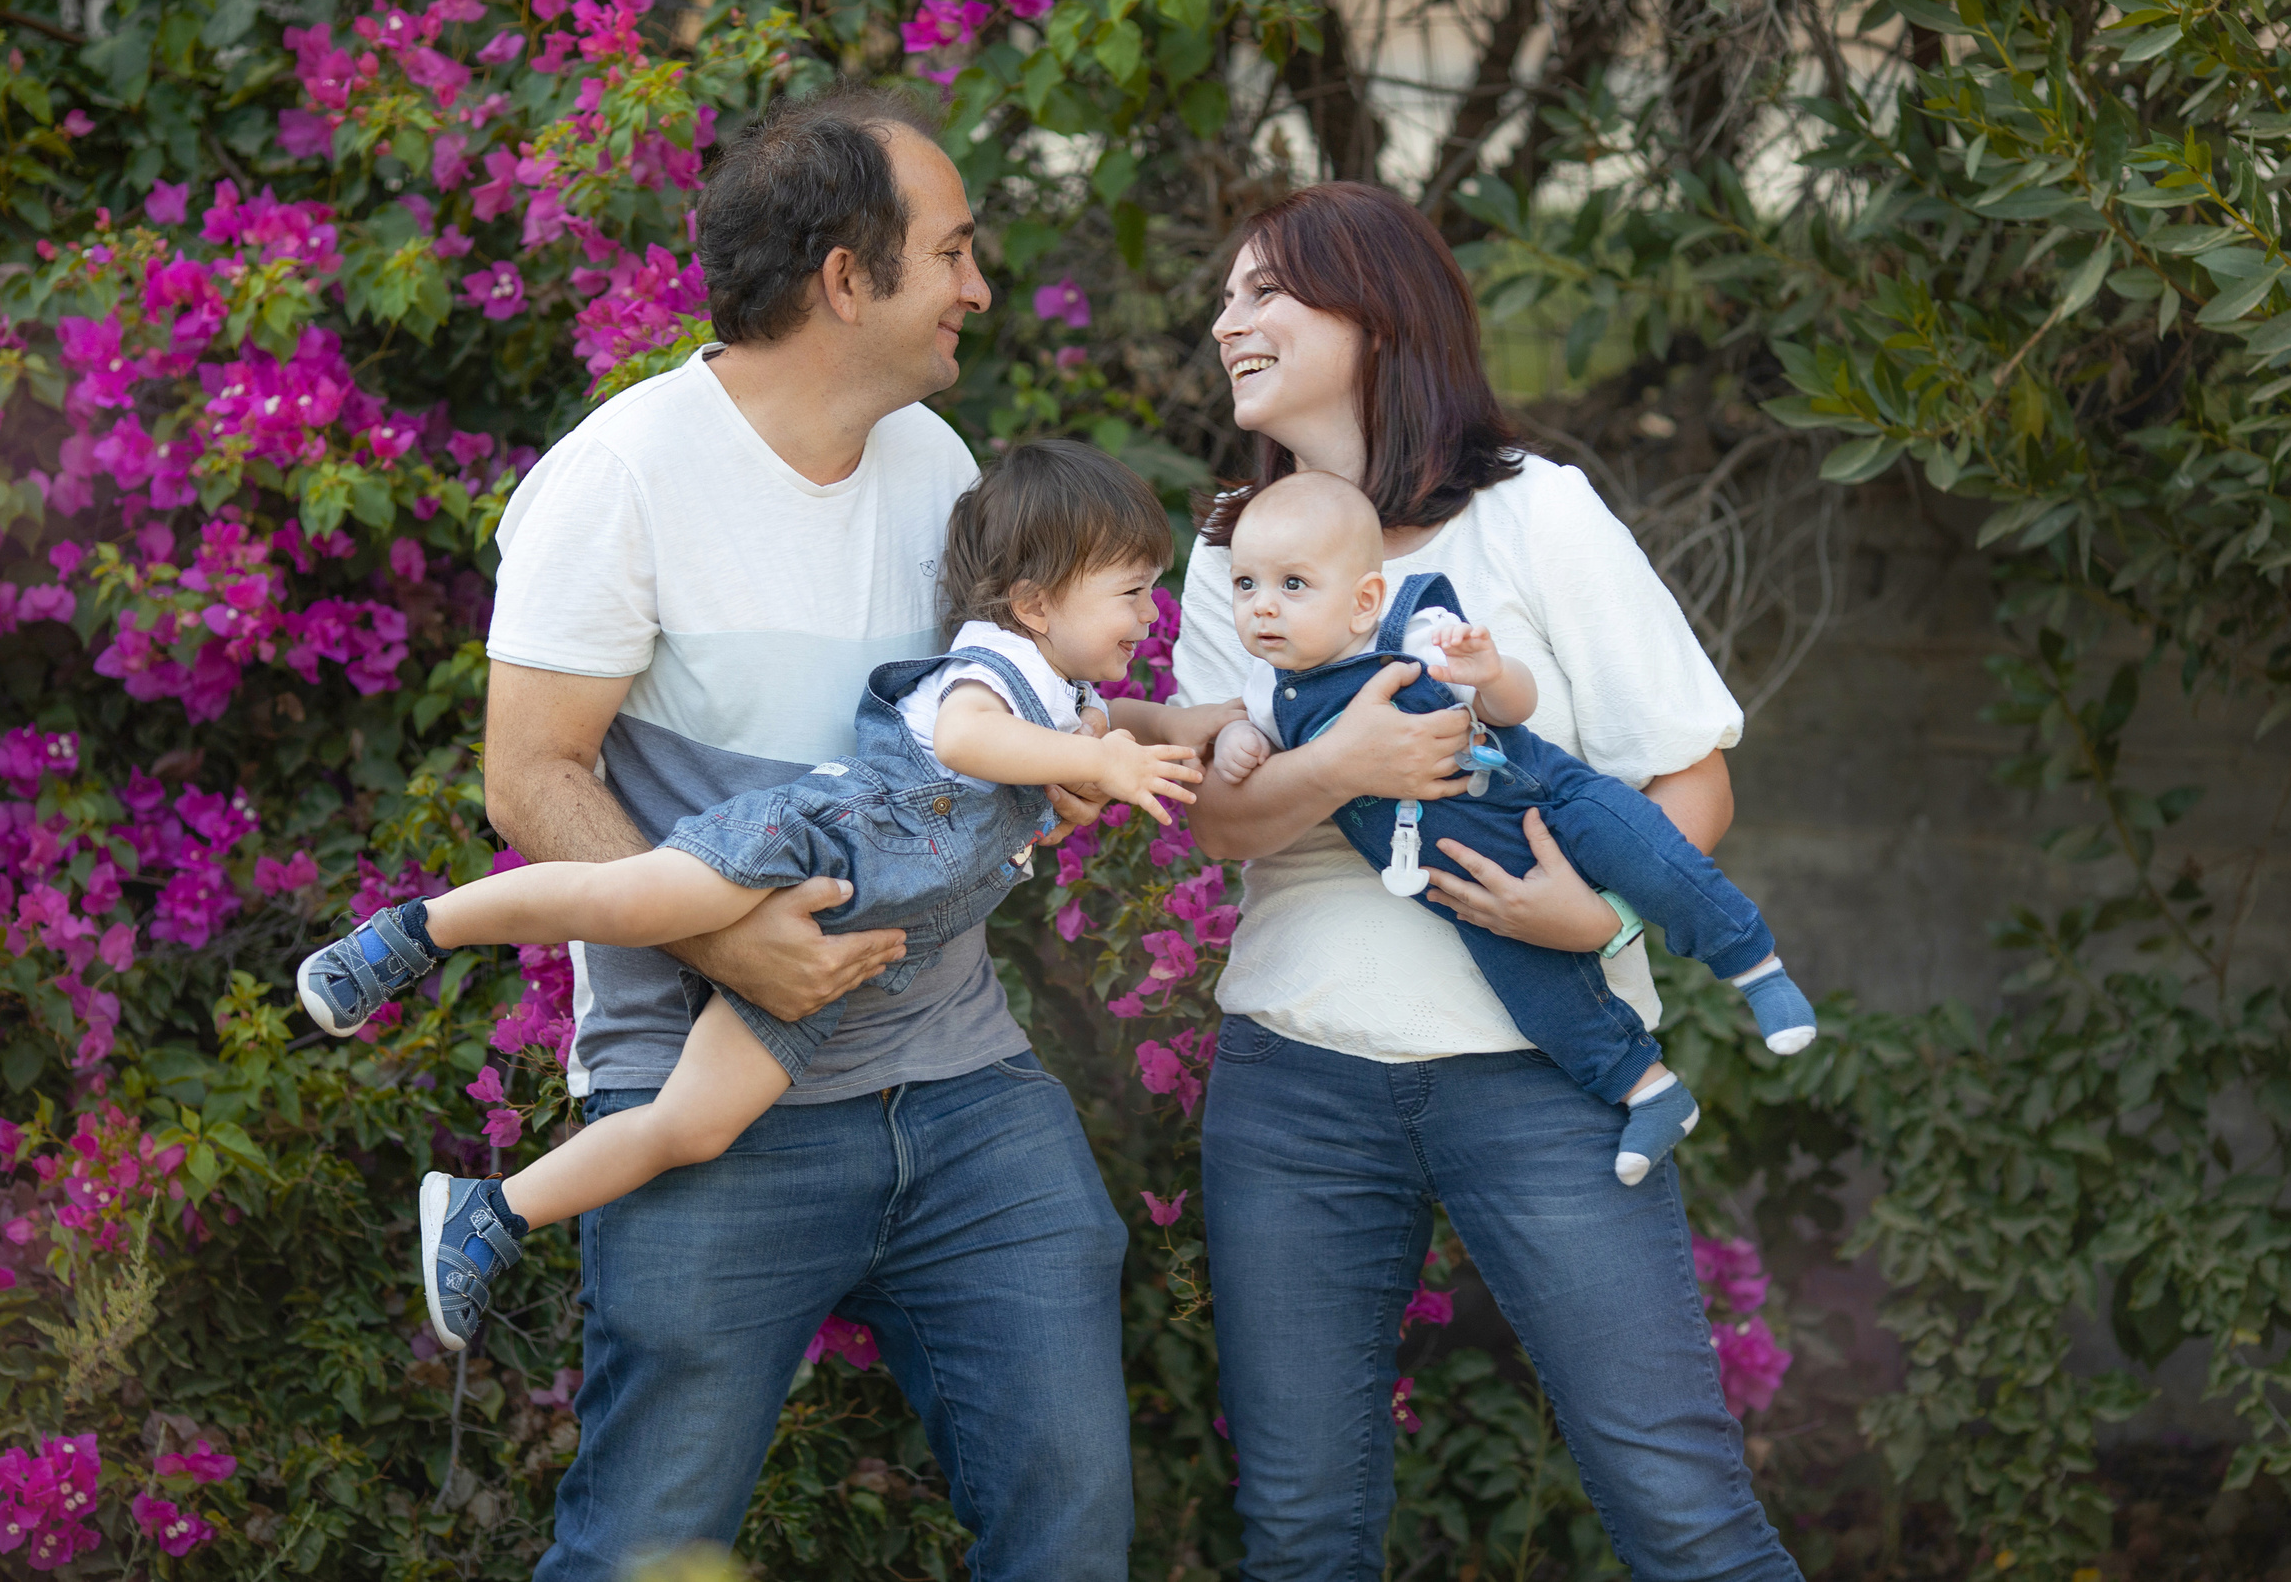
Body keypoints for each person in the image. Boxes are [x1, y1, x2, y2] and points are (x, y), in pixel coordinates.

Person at [473, 85, 1154, 1582]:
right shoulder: (621, 476)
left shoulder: (938, 465)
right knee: (645, 1543)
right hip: (707, 1093)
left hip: (959, 1082)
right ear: (849, 277)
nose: (979, 286)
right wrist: (730, 940)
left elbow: (984, 715)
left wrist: (1103, 753)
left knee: (1072, 1519)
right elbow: (529, 777)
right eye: (953, 251)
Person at [1176, 182, 1805, 1580]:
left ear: (1376, 310)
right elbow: (1221, 823)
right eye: (1224, 297)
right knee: (1300, 1529)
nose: (1228, 321)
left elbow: (1692, 778)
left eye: (1265, 290)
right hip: (1296, 1084)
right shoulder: (1238, 546)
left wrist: (1604, 914)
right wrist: (1345, 759)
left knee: (1682, 1507)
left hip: (1548, 1078)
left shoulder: (1538, 516)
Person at [294, 442, 1229, 1351]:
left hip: (839, 956)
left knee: (696, 1124)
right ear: (1034, 602)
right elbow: (966, 740)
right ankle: (413, 932)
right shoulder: (993, 666)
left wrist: (1202, 724)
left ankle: (491, 1210)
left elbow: (1124, 720)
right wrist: (1095, 761)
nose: (1151, 612)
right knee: (628, 900)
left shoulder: (1068, 698)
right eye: (1132, 590)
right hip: (804, 843)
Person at [1206, 470, 1817, 1185]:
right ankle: (1650, 1091)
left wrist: (1490, 674)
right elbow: (1254, 757)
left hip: (1547, 805)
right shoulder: (1268, 693)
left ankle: (1756, 967)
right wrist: (1237, 742)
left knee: (1653, 857)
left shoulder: (1414, 632)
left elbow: (1511, 707)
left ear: (1364, 599)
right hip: (1470, 885)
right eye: (1245, 585)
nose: (1262, 606)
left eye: (1292, 585)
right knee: (1542, 1001)